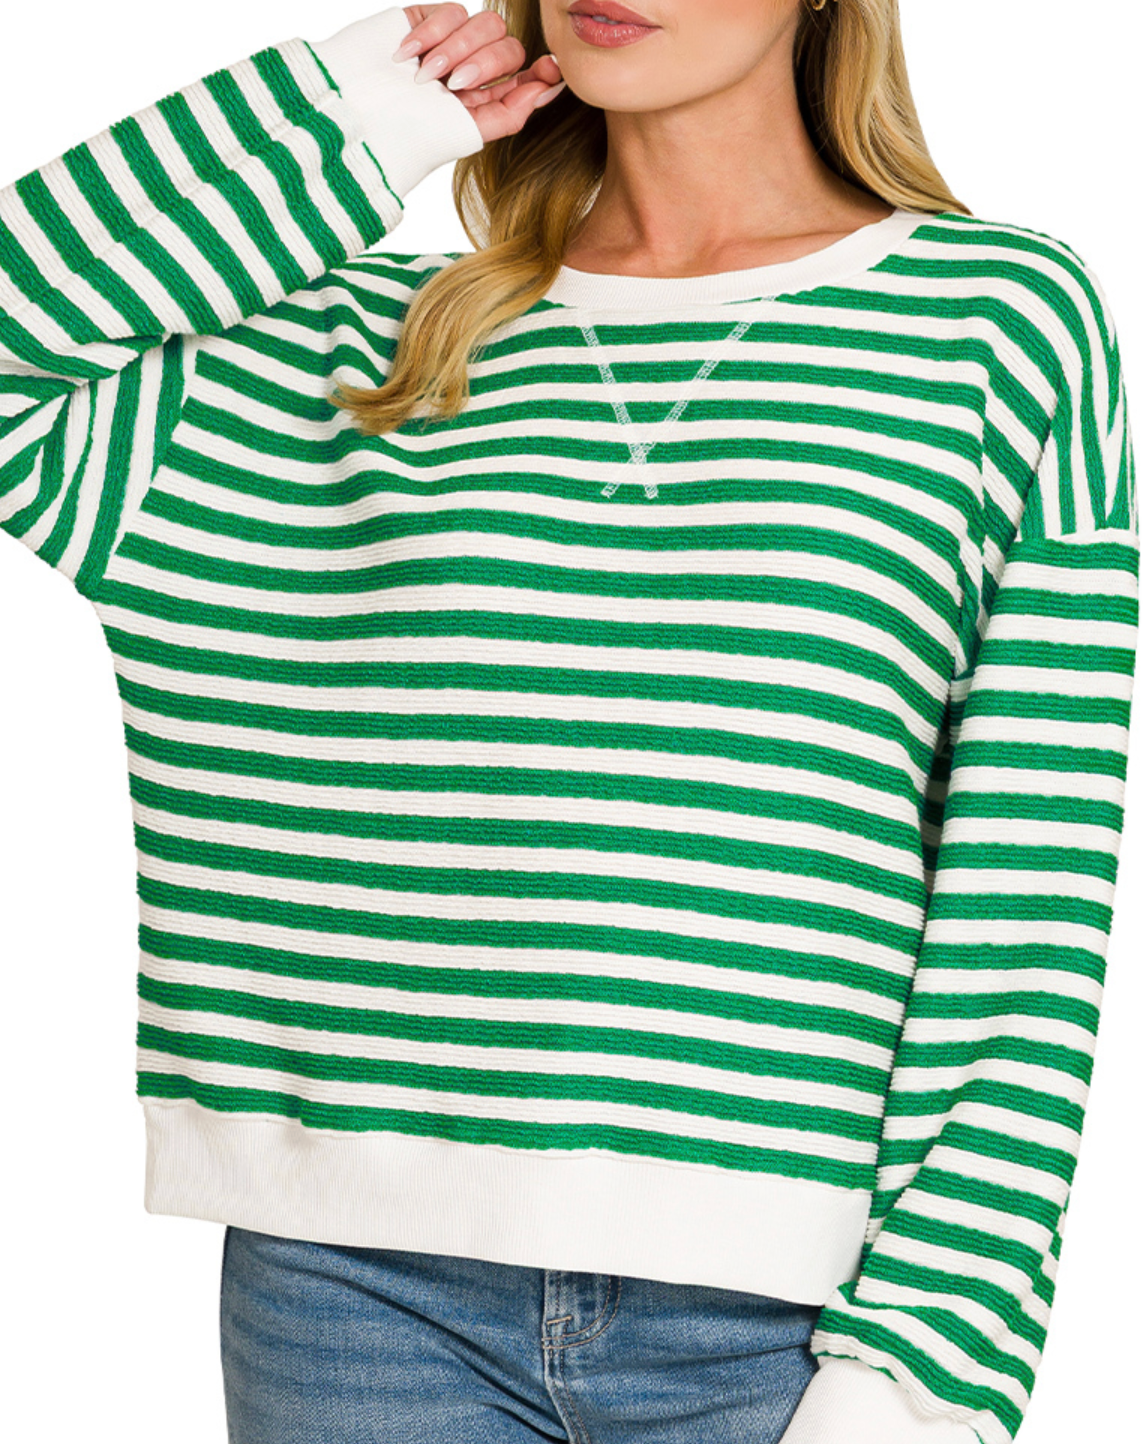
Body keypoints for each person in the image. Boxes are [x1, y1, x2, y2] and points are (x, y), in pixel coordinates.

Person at [0, 2, 1136, 1442]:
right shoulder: (355, 351)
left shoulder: (994, 325)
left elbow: (1028, 882)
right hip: (357, 1299)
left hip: (795, 1315)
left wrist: (929, 1361)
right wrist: (361, 109)